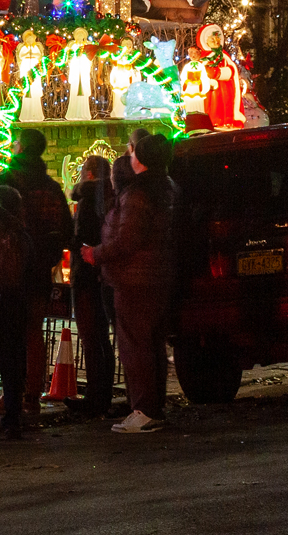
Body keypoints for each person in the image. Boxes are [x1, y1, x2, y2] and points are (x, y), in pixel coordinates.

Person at [84, 133, 177, 433]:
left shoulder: (138, 195)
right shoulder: (166, 188)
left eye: (134, 152)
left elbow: (127, 239)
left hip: (135, 279)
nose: (130, 156)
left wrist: (96, 254)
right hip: (157, 276)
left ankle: (144, 409)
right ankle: (152, 407)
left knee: (136, 347)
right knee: (151, 345)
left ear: (143, 159)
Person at [0, 128, 76, 427]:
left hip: (11, 267)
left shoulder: (7, 181)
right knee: (33, 332)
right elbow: (66, 229)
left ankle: (12, 394)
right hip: (41, 269)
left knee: (9, 333)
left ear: (21, 148)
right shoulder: (51, 187)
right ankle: (30, 396)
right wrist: (49, 255)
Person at [70, 156, 117, 418]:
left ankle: (95, 398)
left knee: (91, 337)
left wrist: (68, 239)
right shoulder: (113, 197)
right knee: (103, 337)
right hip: (104, 273)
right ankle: (103, 394)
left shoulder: (87, 199)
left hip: (87, 274)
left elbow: (81, 237)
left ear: (87, 174)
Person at [0, 184, 32, 440]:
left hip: (4, 297)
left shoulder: (3, 232)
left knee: (4, 357)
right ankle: (13, 412)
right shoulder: (22, 233)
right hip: (17, 299)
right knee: (14, 357)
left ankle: (7, 412)